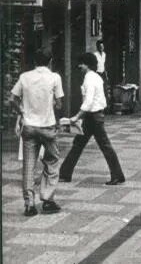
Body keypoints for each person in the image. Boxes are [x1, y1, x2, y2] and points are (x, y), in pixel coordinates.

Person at [12, 45, 64, 216]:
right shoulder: (55, 77)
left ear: (35, 61)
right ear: (50, 62)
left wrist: (21, 111)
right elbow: (59, 103)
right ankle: (48, 199)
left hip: (29, 126)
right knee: (52, 160)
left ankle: (29, 204)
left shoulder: (24, 77)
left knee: (29, 164)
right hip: (48, 126)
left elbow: (12, 98)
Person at [59, 53, 125, 186]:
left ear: (87, 64)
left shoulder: (89, 79)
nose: (80, 66)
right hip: (94, 116)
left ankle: (118, 175)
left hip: (93, 117)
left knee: (101, 146)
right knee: (79, 145)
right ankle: (64, 174)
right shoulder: (97, 78)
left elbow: (88, 102)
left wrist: (76, 117)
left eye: (82, 64)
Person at [94, 39, 110, 111]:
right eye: (100, 46)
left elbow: (104, 65)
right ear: (97, 47)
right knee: (98, 89)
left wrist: (106, 74)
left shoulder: (104, 54)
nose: (101, 48)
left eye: (102, 46)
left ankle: (105, 107)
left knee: (105, 89)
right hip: (97, 73)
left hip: (103, 73)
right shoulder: (95, 55)